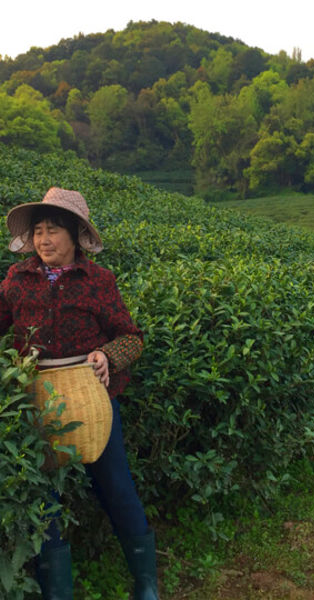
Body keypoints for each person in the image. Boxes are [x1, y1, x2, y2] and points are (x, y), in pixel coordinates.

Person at [0, 187, 158, 600]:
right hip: (35, 402)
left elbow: (131, 337)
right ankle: (57, 591)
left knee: (116, 488)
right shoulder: (18, 279)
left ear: (75, 235)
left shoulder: (99, 281)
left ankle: (145, 583)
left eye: (53, 229)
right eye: (37, 231)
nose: (43, 239)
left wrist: (109, 355)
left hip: (92, 401)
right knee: (44, 499)